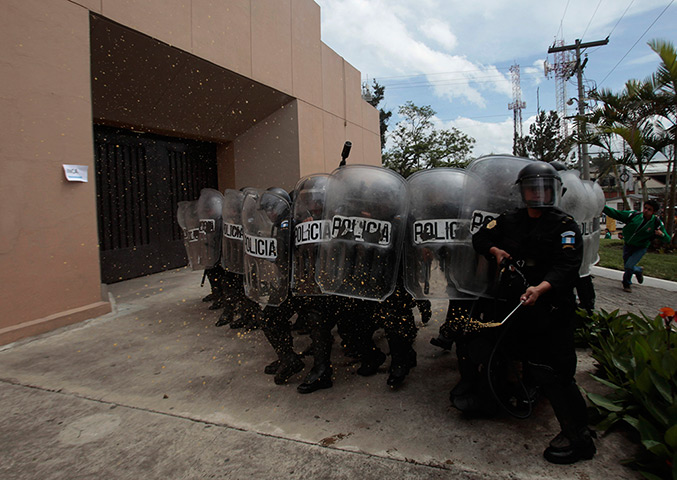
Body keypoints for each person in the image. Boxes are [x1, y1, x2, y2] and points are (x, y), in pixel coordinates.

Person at [467, 162, 595, 464]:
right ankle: (499, 398)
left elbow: (567, 267)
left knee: (555, 372)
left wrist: (541, 288)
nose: (537, 194)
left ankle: (580, 438)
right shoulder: (510, 219)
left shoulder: (564, 225)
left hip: (551, 307)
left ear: (555, 191)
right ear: (522, 192)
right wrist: (495, 252)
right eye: (531, 188)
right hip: (517, 303)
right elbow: (480, 238)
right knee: (503, 351)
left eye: (543, 188)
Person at [603, 200, 671, 292]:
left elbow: (667, 239)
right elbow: (616, 214)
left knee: (629, 266)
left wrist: (661, 235)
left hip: (641, 247)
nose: (646, 210)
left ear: (654, 212)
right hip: (628, 245)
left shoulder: (656, 223)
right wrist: (602, 206)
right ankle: (638, 270)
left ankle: (626, 284)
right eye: (645, 208)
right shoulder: (634, 215)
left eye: (649, 209)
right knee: (627, 266)